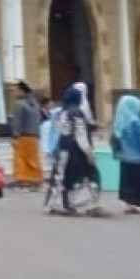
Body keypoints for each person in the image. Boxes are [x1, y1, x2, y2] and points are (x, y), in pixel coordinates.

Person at [46, 85, 104, 216]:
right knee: (88, 175)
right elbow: (81, 135)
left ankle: (58, 204)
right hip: (75, 151)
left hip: (62, 149)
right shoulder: (77, 113)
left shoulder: (62, 113)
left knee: (61, 177)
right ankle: (89, 204)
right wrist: (89, 152)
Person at [113, 95, 140, 213]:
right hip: (138, 158)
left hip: (125, 157)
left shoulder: (118, 122)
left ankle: (129, 204)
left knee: (128, 181)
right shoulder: (135, 122)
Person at [10, 82, 44, 190]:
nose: (13, 93)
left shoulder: (20, 104)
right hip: (34, 136)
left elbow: (17, 122)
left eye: (15, 90)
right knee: (33, 159)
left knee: (20, 159)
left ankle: (23, 180)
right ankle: (35, 179)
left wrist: (15, 136)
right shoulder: (35, 104)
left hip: (23, 136)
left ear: (22, 91)